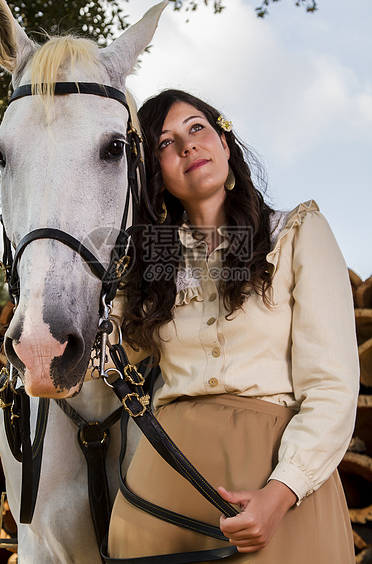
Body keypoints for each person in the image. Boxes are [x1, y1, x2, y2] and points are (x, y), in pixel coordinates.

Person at [107, 89, 359, 563]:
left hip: (272, 492)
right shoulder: (155, 258)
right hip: (157, 496)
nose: (187, 146)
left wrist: (282, 492)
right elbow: (98, 353)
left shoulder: (293, 232)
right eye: (165, 143)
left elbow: (332, 386)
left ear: (225, 144)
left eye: (197, 128)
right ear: (154, 176)